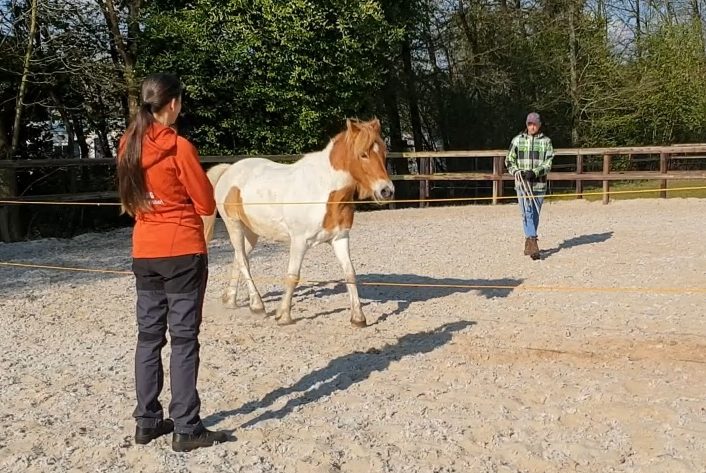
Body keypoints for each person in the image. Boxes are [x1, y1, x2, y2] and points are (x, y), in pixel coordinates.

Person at [116, 73, 227, 452]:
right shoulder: (179, 148)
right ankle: (186, 426)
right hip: (181, 249)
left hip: (144, 249)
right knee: (183, 340)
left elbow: (130, 199)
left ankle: (147, 421)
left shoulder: (127, 145)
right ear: (173, 104)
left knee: (148, 337)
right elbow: (206, 203)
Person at [505, 112, 554, 260]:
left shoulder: (546, 142)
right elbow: (509, 160)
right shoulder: (517, 141)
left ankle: (528, 241)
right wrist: (517, 171)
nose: (532, 127)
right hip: (522, 183)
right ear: (526, 125)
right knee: (526, 212)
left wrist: (535, 172)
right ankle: (533, 241)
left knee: (535, 213)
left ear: (539, 125)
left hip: (539, 183)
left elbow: (548, 162)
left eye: (534, 124)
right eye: (529, 124)